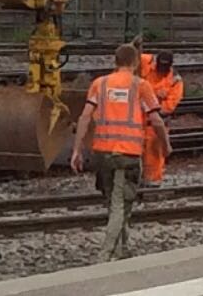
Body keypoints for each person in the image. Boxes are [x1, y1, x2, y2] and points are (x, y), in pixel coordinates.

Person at [71, 43, 172, 263]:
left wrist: (77, 150)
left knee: (114, 202)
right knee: (121, 204)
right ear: (135, 63)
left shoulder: (100, 84)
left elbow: (85, 117)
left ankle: (123, 248)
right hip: (129, 154)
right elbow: (156, 120)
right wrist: (165, 145)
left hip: (103, 153)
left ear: (114, 61)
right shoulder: (141, 86)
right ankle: (106, 254)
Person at [139, 50, 183, 185]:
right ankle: (138, 181)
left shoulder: (175, 80)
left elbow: (169, 106)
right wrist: (156, 95)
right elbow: (130, 56)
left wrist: (149, 100)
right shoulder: (146, 63)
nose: (161, 70)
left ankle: (153, 182)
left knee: (155, 154)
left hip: (155, 124)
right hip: (138, 121)